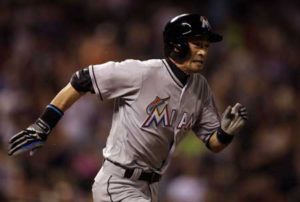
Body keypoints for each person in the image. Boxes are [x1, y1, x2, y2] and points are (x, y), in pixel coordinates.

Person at [8, 13, 248, 202]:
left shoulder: (201, 88)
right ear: (177, 44)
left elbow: (212, 143)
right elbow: (82, 79)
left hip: (151, 188)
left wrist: (226, 133)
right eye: (197, 43)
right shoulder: (143, 73)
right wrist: (43, 125)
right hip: (119, 182)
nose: (204, 51)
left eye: (206, 45)